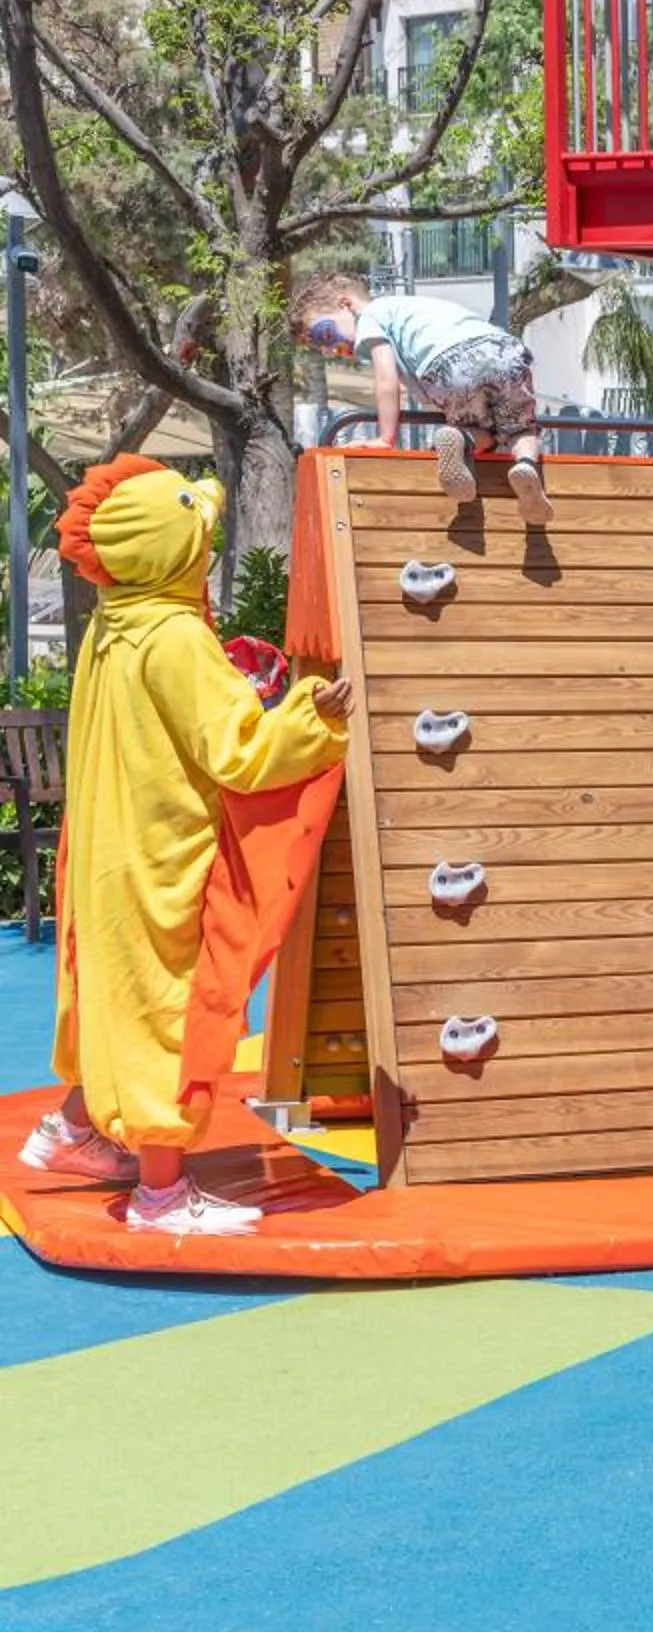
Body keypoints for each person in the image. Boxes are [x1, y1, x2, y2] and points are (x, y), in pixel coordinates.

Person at [17, 457, 353, 1236]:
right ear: (174, 552)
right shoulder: (174, 636)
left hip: (110, 846)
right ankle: (162, 1197)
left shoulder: (113, 621)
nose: (207, 550)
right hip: (163, 852)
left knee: (118, 999)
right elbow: (238, 753)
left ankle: (77, 1129)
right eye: (200, 537)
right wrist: (314, 715)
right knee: (166, 1006)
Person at [295, 273, 552, 526]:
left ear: (346, 304)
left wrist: (386, 438)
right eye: (318, 347)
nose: (329, 349)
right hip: (503, 351)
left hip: (449, 365)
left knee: (472, 430)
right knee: (518, 429)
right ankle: (526, 465)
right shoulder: (409, 306)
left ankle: (462, 439)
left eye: (324, 335)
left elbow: (386, 378)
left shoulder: (371, 317)